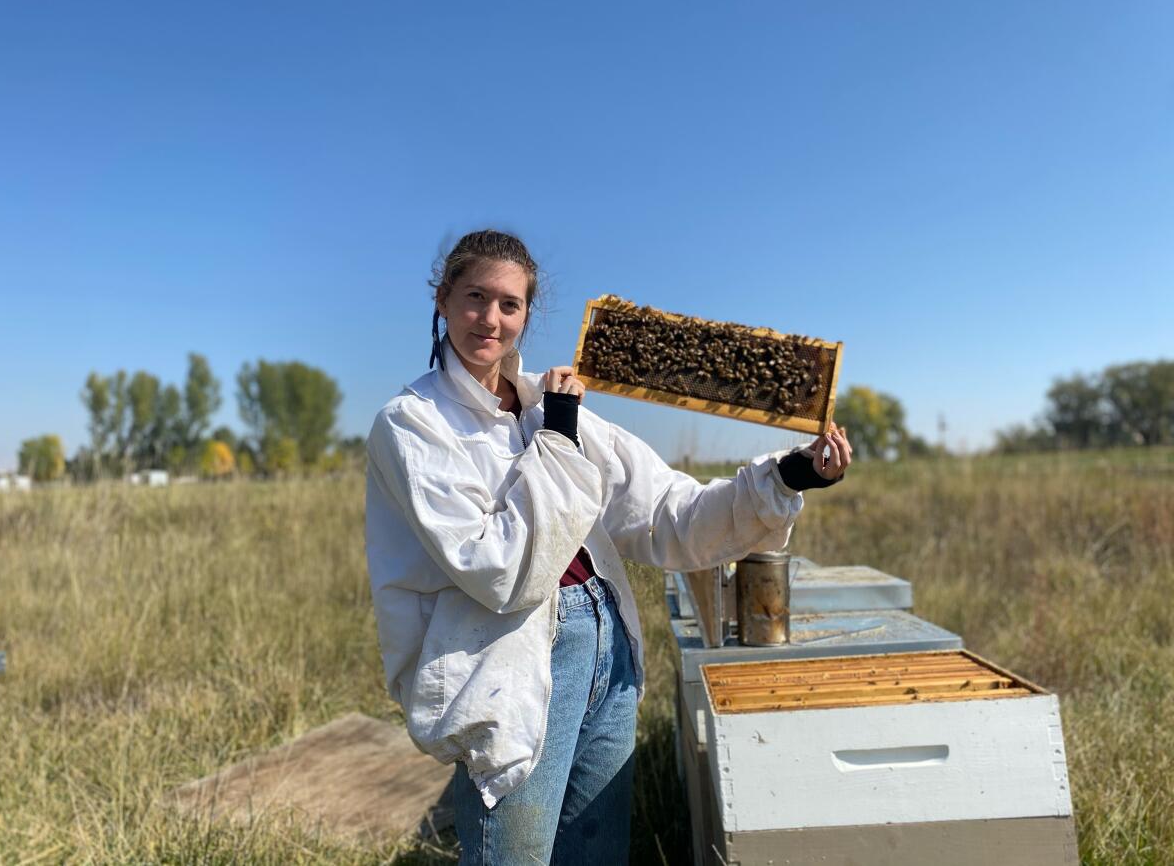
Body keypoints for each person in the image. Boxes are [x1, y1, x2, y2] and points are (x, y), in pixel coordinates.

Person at [365, 229, 852, 865]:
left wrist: (789, 476)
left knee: (595, 853)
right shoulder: (412, 423)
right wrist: (560, 441)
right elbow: (501, 571)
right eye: (474, 298)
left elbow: (666, 514)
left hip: (606, 639)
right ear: (443, 299)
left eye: (510, 305)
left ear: (527, 316)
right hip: (506, 662)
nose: (490, 319)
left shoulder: (552, 401)